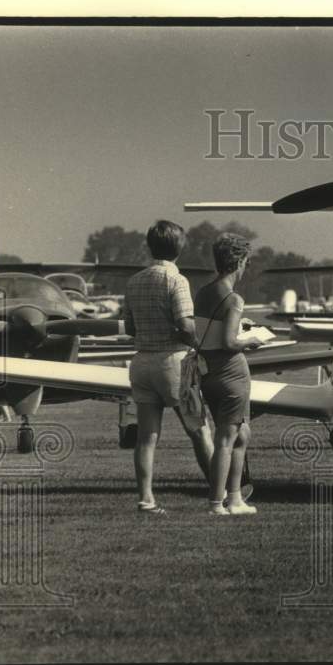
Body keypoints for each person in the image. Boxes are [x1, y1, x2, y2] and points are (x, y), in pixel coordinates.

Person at [123, 220, 214, 514]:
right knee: (199, 429)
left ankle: (146, 498)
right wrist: (201, 341)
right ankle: (219, 491)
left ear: (150, 247)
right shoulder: (177, 280)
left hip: (141, 362)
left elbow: (130, 327)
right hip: (173, 362)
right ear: (180, 248)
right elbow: (186, 326)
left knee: (147, 437)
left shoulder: (134, 281)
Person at [195, 233, 265, 516]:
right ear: (238, 262)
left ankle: (235, 498)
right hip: (231, 374)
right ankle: (217, 502)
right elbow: (229, 343)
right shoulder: (234, 298)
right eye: (245, 262)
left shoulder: (203, 293)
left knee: (241, 434)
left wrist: (239, 326)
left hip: (209, 373)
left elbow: (205, 332)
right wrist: (251, 340)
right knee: (226, 438)